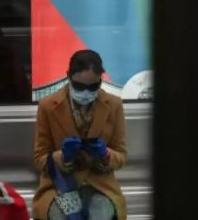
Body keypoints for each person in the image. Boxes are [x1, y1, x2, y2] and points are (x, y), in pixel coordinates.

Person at [32, 50, 127, 220]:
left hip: (100, 184)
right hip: (60, 185)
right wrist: (63, 157)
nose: (85, 92)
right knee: (61, 215)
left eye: (93, 87)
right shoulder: (48, 106)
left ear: (100, 81)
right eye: (79, 86)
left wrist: (105, 155)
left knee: (102, 214)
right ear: (69, 77)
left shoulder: (113, 105)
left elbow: (121, 155)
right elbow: (40, 158)